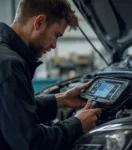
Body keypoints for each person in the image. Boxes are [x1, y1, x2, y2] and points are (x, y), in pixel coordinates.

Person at [0, 0, 101, 150]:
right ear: (39, 22)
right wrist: (77, 123)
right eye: (56, 35)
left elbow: (13, 111)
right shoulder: (10, 65)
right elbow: (33, 144)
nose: (54, 45)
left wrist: (60, 100)